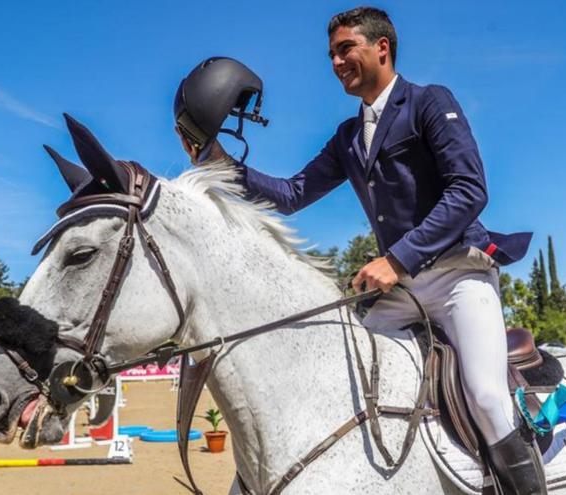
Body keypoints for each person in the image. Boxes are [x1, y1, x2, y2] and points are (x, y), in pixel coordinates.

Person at [173, 7, 541, 494]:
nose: (336, 61)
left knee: (489, 398)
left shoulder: (430, 102)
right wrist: (219, 162)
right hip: (404, 293)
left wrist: (397, 258)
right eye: (331, 53)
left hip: (457, 279)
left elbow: (469, 191)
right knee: (343, 381)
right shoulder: (350, 136)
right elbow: (291, 194)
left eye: (346, 48)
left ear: (381, 48)